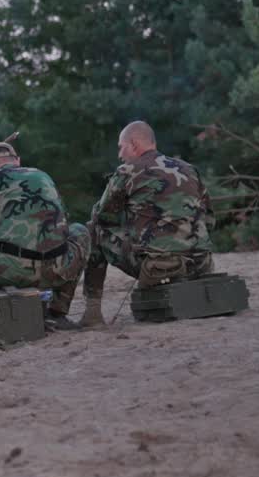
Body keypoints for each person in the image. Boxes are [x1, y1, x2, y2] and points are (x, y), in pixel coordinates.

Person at [79, 120, 215, 327]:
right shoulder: (189, 169)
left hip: (158, 268)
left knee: (93, 230)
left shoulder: (128, 171)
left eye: (121, 147)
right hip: (202, 264)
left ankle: (92, 315)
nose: (119, 155)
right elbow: (209, 219)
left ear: (134, 144)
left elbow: (101, 216)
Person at [0, 141, 89, 331]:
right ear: (18, 161)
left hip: (12, 273)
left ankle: (3, 315)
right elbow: (62, 222)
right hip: (59, 268)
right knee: (80, 231)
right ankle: (57, 313)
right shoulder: (42, 175)